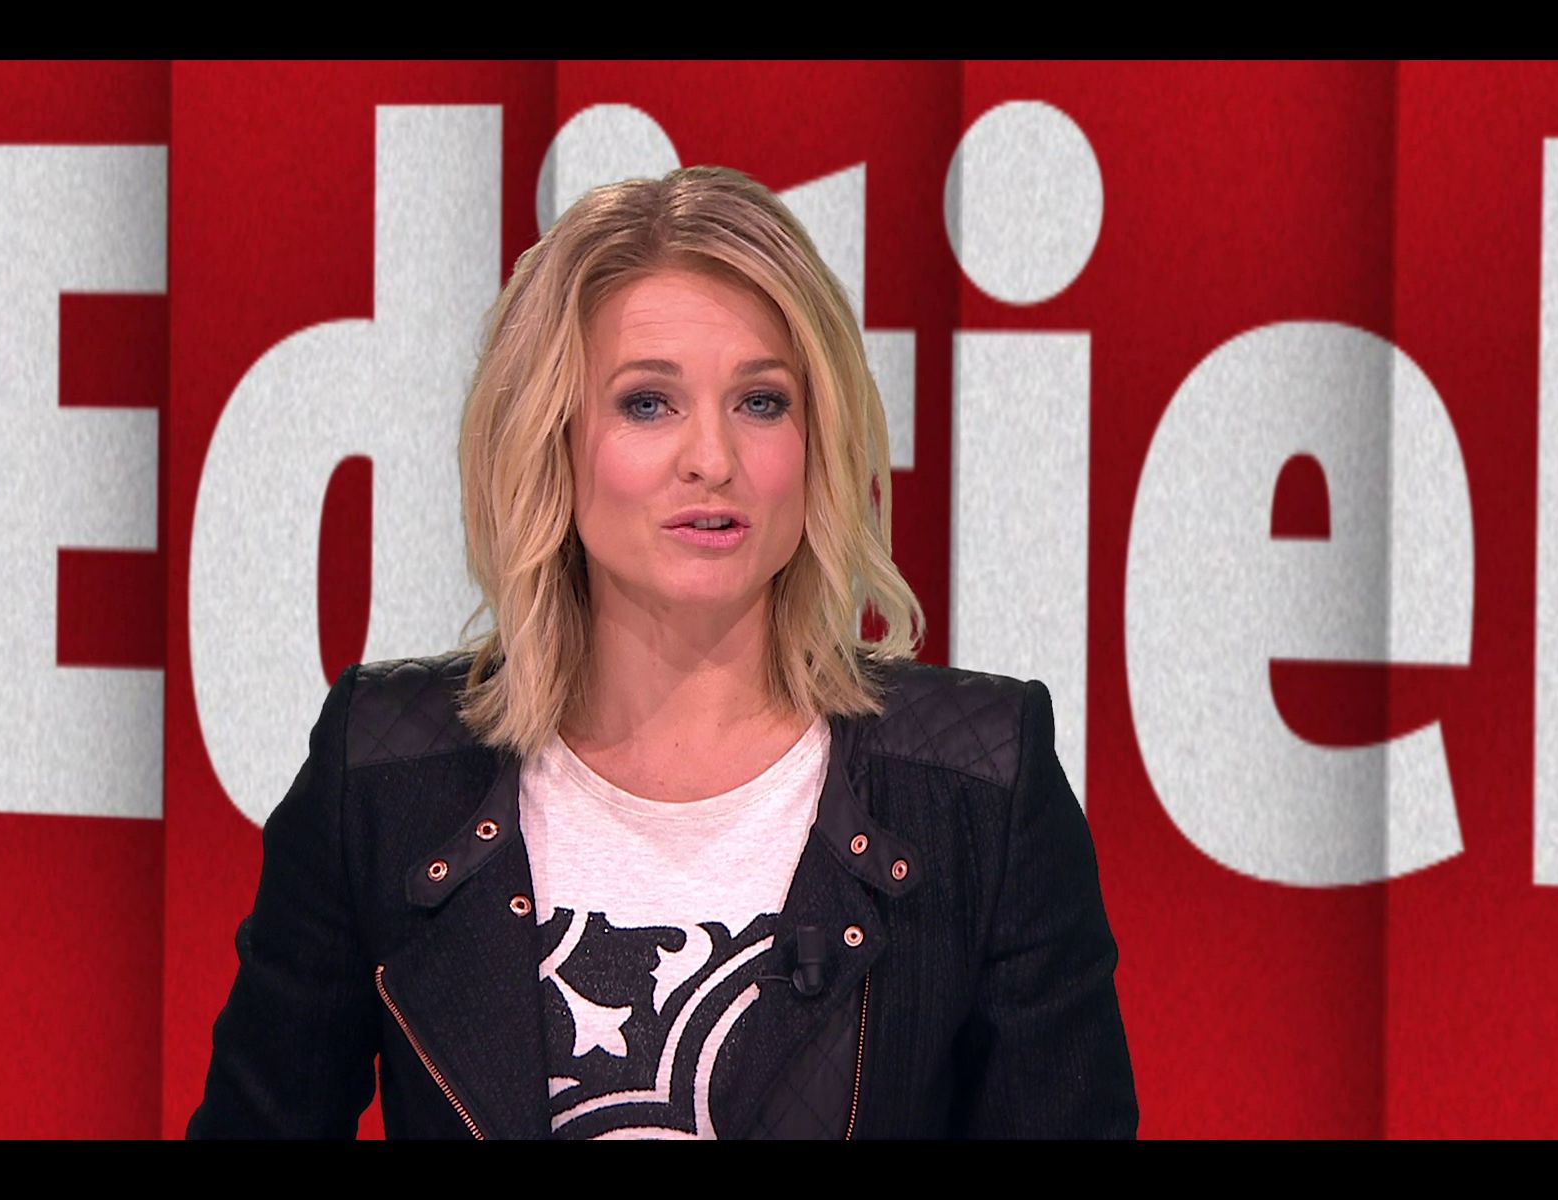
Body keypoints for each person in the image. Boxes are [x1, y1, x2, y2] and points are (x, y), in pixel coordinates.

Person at [187, 165, 1137, 1140]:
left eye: (761, 402)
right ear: (550, 439)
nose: (712, 459)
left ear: (819, 442)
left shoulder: (976, 787)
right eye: (648, 403)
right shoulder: (385, 773)